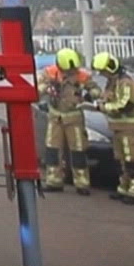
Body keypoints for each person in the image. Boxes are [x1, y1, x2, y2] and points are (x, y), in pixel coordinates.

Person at [95, 52, 134, 204]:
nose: (101, 74)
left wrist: (103, 107)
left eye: (103, 71)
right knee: (122, 160)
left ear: (110, 68)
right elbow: (106, 98)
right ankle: (124, 188)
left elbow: (125, 104)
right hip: (119, 128)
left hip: (131, 128)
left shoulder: (126, 82)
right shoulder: (113, 82)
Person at [39, 47, 95, 194]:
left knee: (78, 150)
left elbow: (95, 89)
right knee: (52, 149)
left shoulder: (81, 75)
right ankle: (54, 181)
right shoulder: (50, 73)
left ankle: (82, 183)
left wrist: (92, 95)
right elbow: (37, 89)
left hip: (74, 117)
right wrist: (47, 86)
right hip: (55, 117)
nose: (70, 72)